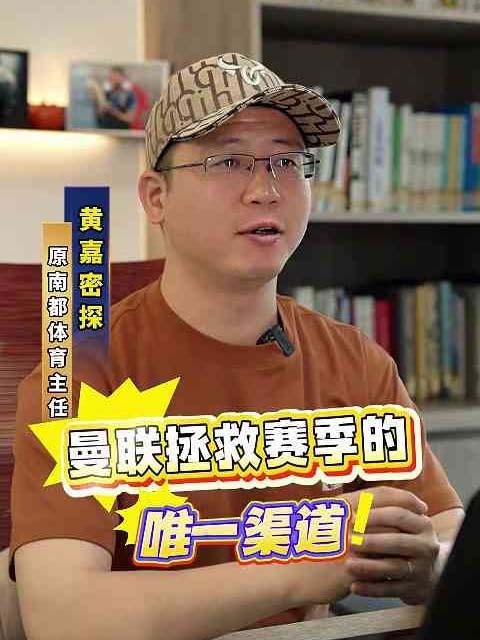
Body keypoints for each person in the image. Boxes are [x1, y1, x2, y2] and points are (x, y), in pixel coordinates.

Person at [9, 52, 464, 640]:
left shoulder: (353, 360)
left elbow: (448, 534)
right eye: (228, 161)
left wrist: (428, 567)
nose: (265, 190)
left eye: (286, 162)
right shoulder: (84, 370)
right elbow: (62, 618)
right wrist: (303, 568)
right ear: (156, 198)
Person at [91, 65, 137, 129]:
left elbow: (129, 118)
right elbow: (99, 114)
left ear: (122, 77)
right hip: (105, 130)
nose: (113, 79)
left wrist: (112, 111)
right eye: (111, 77)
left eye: (116, 77)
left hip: (121, 131)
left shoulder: (129, 95)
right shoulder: (106, 94)